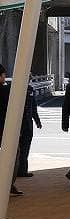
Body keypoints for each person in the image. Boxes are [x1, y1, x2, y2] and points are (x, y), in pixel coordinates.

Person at [0, 65, 23, 196]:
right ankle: (8, 183)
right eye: (3, 75)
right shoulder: (5, 91)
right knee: (14, 154)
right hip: (5, 128)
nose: (4, 78)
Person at [16, 79, 42, 178]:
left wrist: (37, 121)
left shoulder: (30, 89)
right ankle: (16, 170)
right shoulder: (13, 89)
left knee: (25, 148)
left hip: (28, 124)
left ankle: (22, 170)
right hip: (18, 123)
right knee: (16, 149)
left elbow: (33, 107)